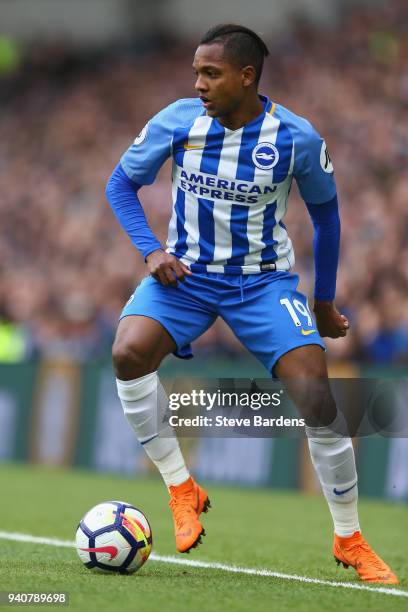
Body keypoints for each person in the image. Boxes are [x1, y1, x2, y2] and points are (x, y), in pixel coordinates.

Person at [105, 24, 398, 584]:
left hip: (263, 283)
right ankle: (181, 488)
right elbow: (120, 184)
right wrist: (150, 251)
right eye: (195, 72)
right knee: (127, 354)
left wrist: (324, 299)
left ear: (246, 76)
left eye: (210, 74)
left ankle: (349, 538)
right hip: (186, 278)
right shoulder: (177, 122)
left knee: (318, 395)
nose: (198, 84)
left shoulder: (296, 138)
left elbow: (327, 216)